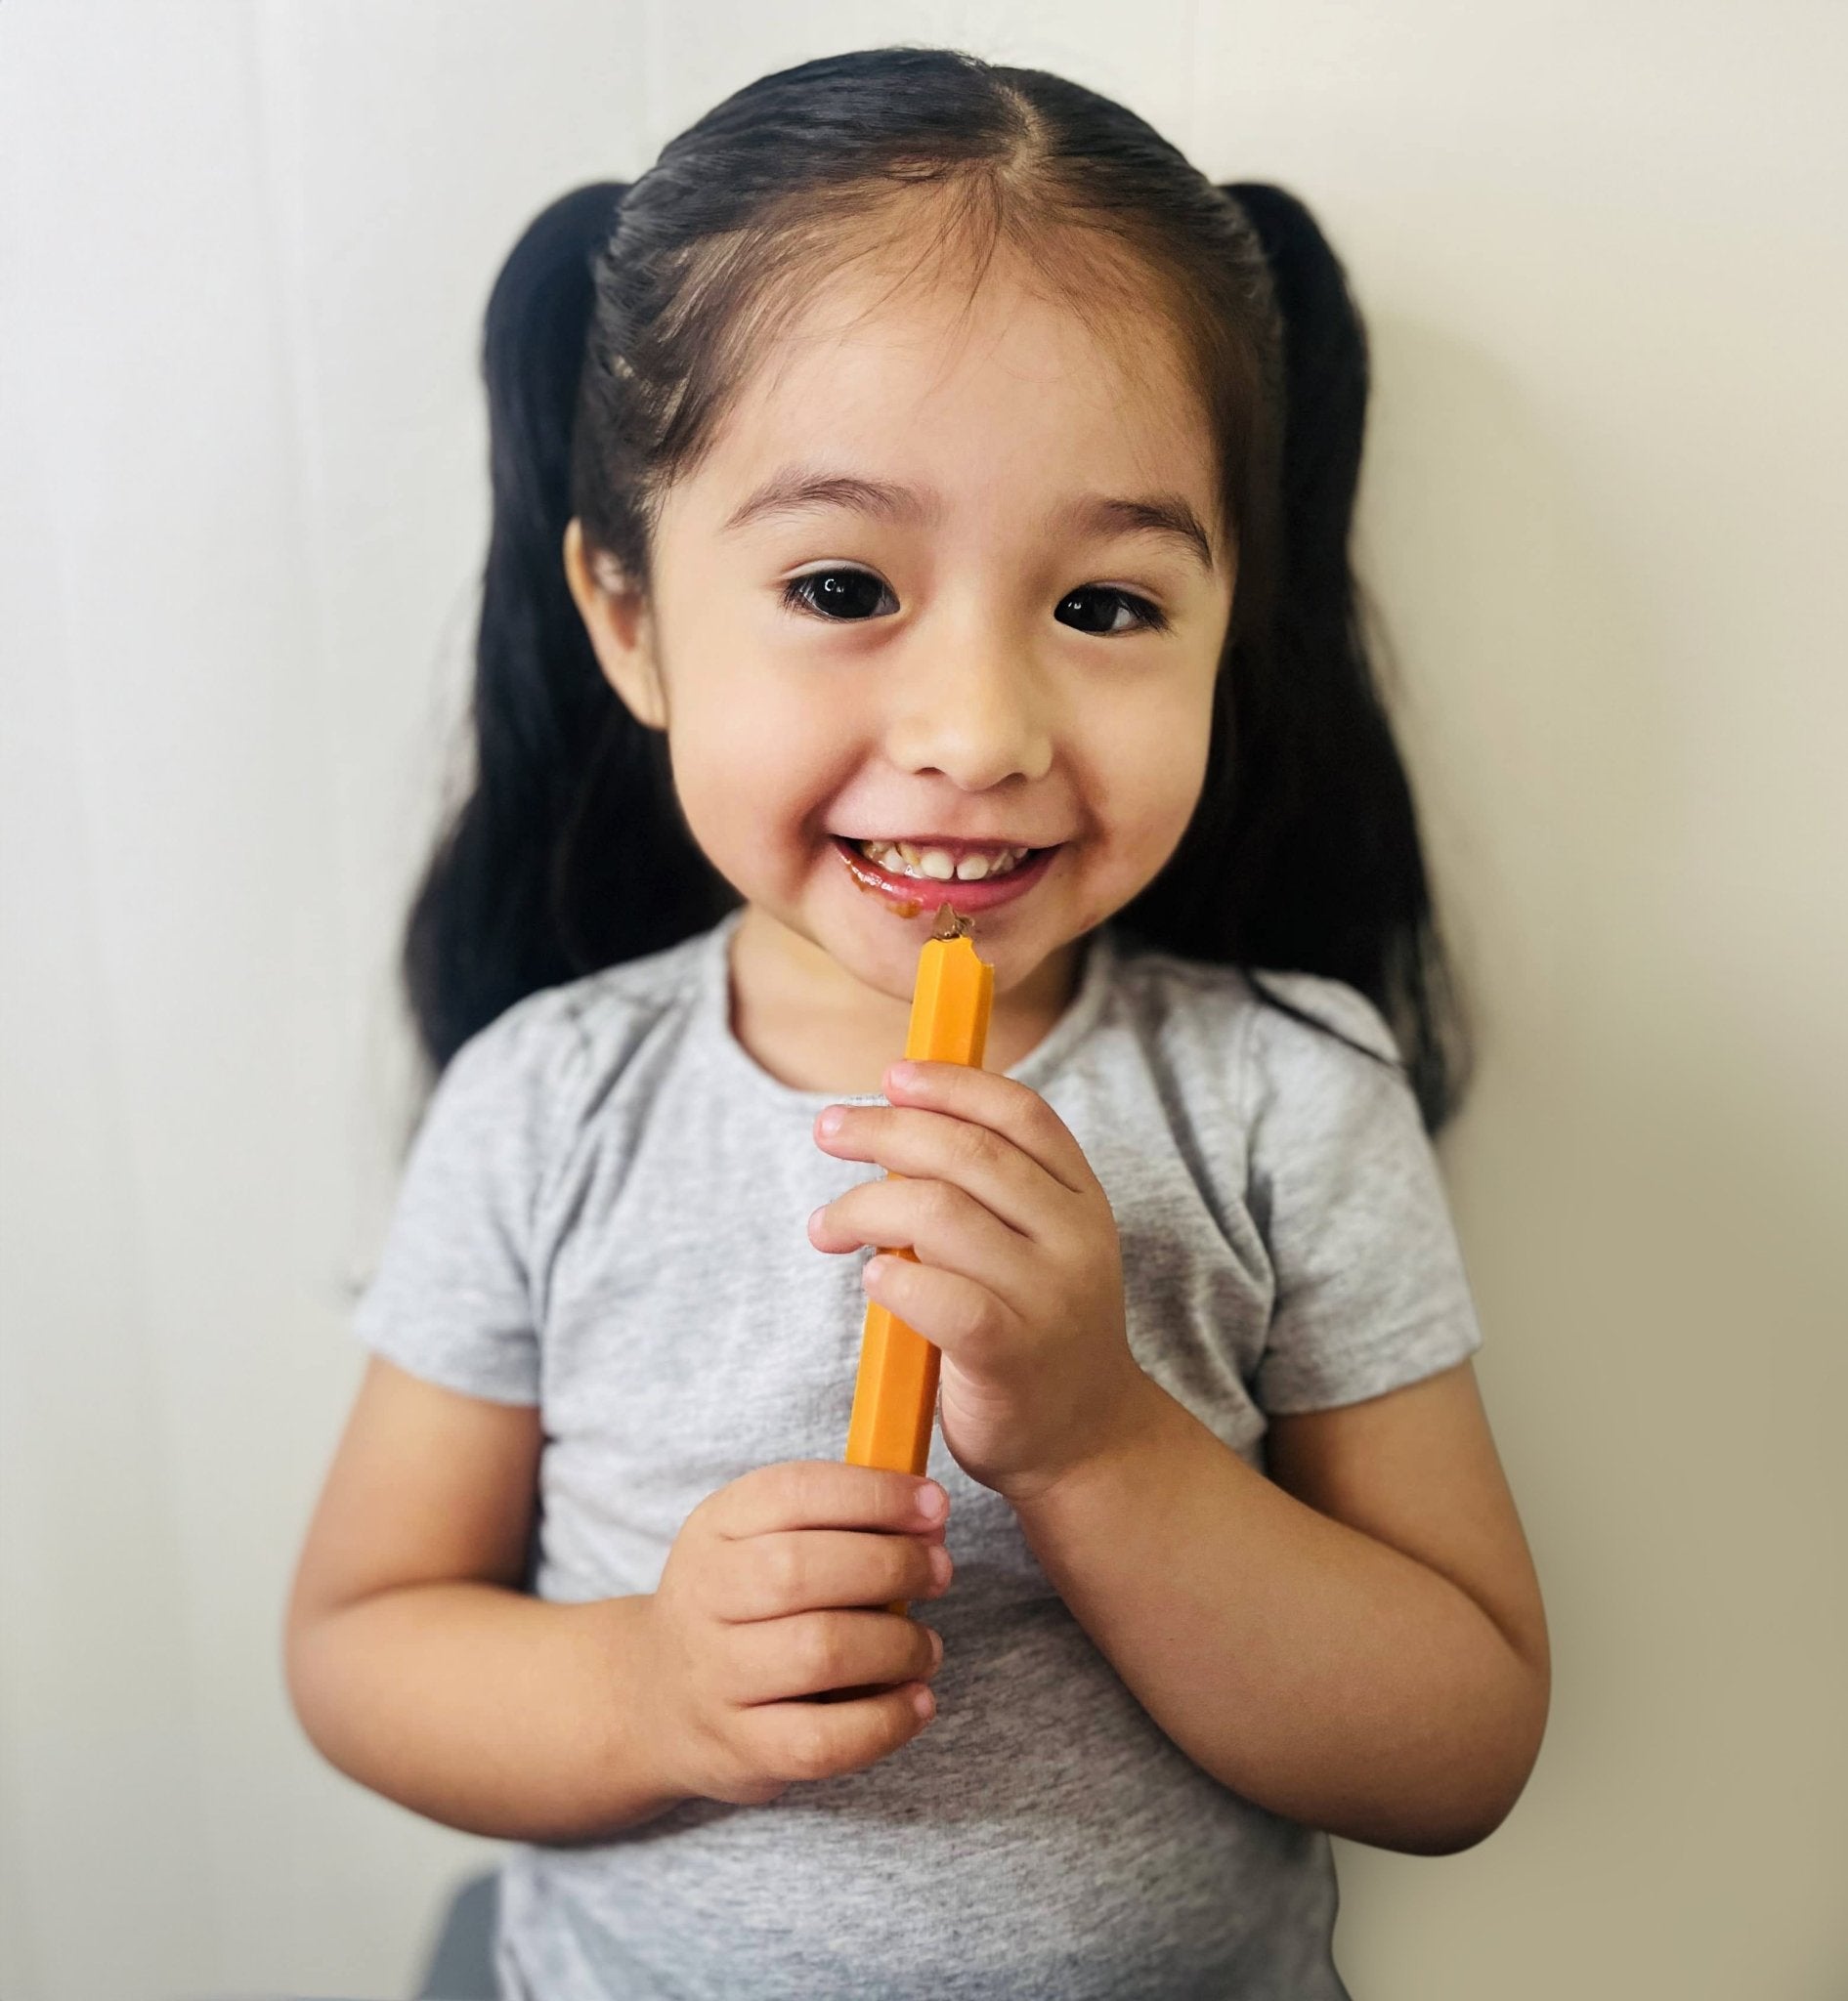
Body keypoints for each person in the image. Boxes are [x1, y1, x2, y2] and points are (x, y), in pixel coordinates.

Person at [284, 45, 1549, 2001]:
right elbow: (362, 1640)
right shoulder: (549, 1102)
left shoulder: (1283, 1101)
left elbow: (1457, 1743)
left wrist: (1100, 1442)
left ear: (1231, 622)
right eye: (843, 581)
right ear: (628, 617)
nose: (978, 732)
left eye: (1108, 607)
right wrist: (646, 1686)